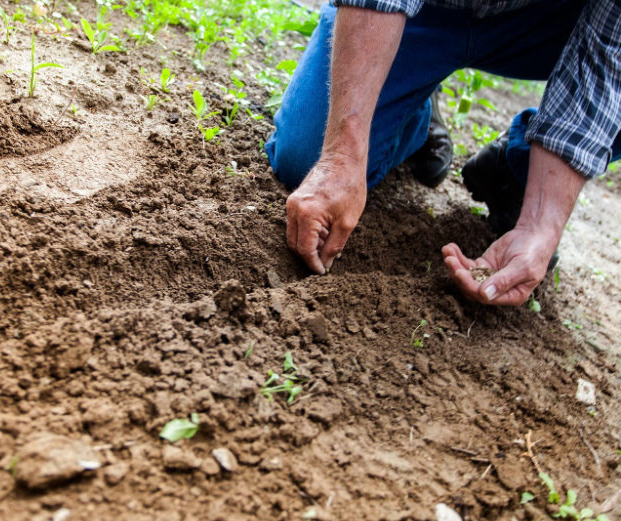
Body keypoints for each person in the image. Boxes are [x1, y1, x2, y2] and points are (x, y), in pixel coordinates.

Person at [265, 0, 621, 306]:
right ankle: (414, 108)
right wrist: (341, 157)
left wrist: (541, 225)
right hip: (426, 11)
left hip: (549, 22)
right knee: (305, 158)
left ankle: (520, 169)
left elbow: (607, 61)